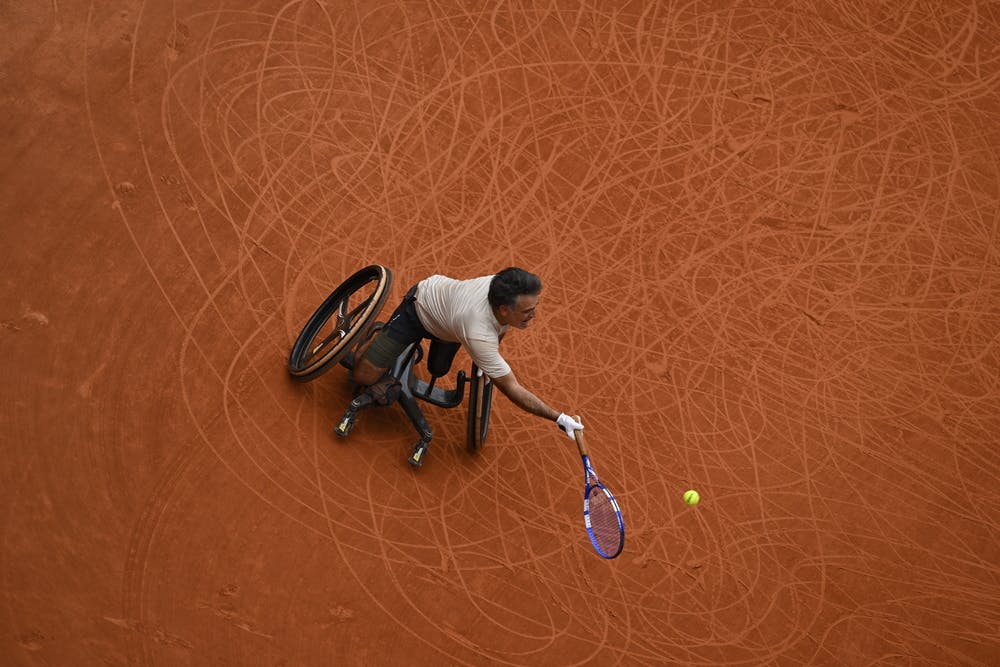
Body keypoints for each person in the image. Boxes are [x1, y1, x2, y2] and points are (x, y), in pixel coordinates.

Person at [351, 267, 584, 439]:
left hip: (451, 325)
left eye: (535, 307)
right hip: (419, 310)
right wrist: (558, 417)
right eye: (527, 311)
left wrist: (489, 355)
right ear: (504, 309)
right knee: (362, 377)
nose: (533, 315)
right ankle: (380, 334)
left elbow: (497, 331)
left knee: (438, 369)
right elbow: (512, 388)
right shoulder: (478, 331)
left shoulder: (501, 287)